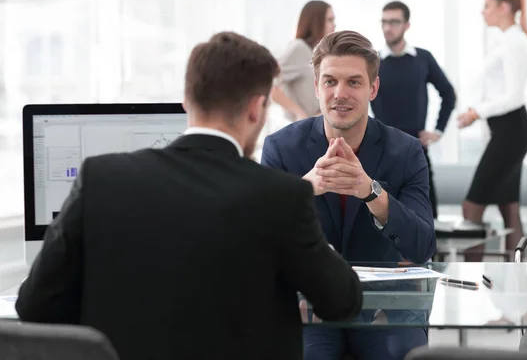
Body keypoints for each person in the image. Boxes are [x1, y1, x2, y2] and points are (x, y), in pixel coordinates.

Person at [15, 32, 363, 360]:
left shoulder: (98, 179)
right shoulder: (281, 197)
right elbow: (342, 301)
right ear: (257, 109)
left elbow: (34, 304)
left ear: (187, 100)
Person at [262, 30, 435, 360]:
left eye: (354, 82)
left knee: (404, 354)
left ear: (373, 88)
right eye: (330, 82)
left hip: (386, 309)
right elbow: (259, 241)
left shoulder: (407, 152)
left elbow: (423, 245)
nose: (340, 94)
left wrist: (371, 192)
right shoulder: (281, 148)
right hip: (307, 307)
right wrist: (304, 189)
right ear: (316, 87)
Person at [457, 0, 527, 259]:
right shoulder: (509, 40)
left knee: (471, 207)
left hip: (512, 131)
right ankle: (518, 280)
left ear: (503, 7)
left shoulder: (514, 41)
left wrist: (476, 113)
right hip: (508, 130)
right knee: (508, 207)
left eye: (487, 6)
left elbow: (514, 96)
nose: (483, 12)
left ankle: (470, 278)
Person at [371, 1, 456, 220]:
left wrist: (438, 130)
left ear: (406, 25)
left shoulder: (423, 58)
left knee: (428, 220)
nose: (387, 27)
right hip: (382, 153)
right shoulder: (373, 62)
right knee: (383, 222)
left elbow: (448, 93)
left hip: (416, 150)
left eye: (394, 22)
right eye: (384, 22)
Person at [272, 0, 336, 121]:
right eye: (330, 20)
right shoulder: (299, 48)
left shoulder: (320, 55)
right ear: (317, 22)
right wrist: (299, 112)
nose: (334, 25)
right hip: (301, 128)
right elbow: (270, 83)